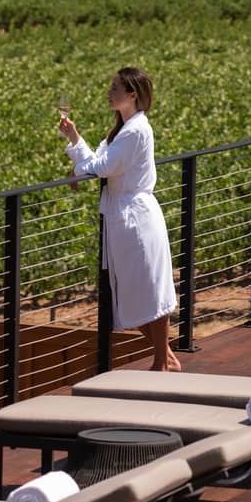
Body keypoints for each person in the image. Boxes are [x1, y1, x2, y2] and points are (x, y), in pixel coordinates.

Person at [57, 67, 181, 372]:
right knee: (130, 291)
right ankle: (167, 358)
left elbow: (104, 167)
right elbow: (97, 161)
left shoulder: (136, 130)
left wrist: (76, 172)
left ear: (132, 94)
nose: (109, 93)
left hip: (137, 217)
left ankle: (161, 363)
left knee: (150, 289)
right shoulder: (122, 130)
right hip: (122, 217)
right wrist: (74, 137)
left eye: (115, 88)